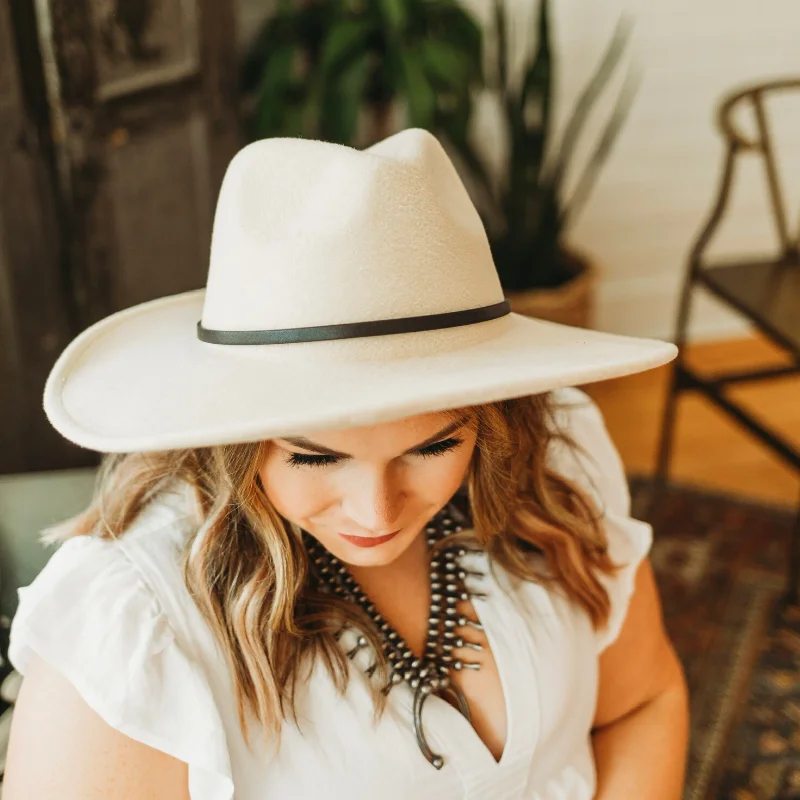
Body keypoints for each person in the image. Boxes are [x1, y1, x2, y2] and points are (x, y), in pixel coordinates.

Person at [3, 128, 689, 799]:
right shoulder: (133, 628)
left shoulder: (550, 476)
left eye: (433, 446)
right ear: (236, 439)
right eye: (314, 457)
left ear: (495, 419)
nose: (375, 511)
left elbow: (643, 701)